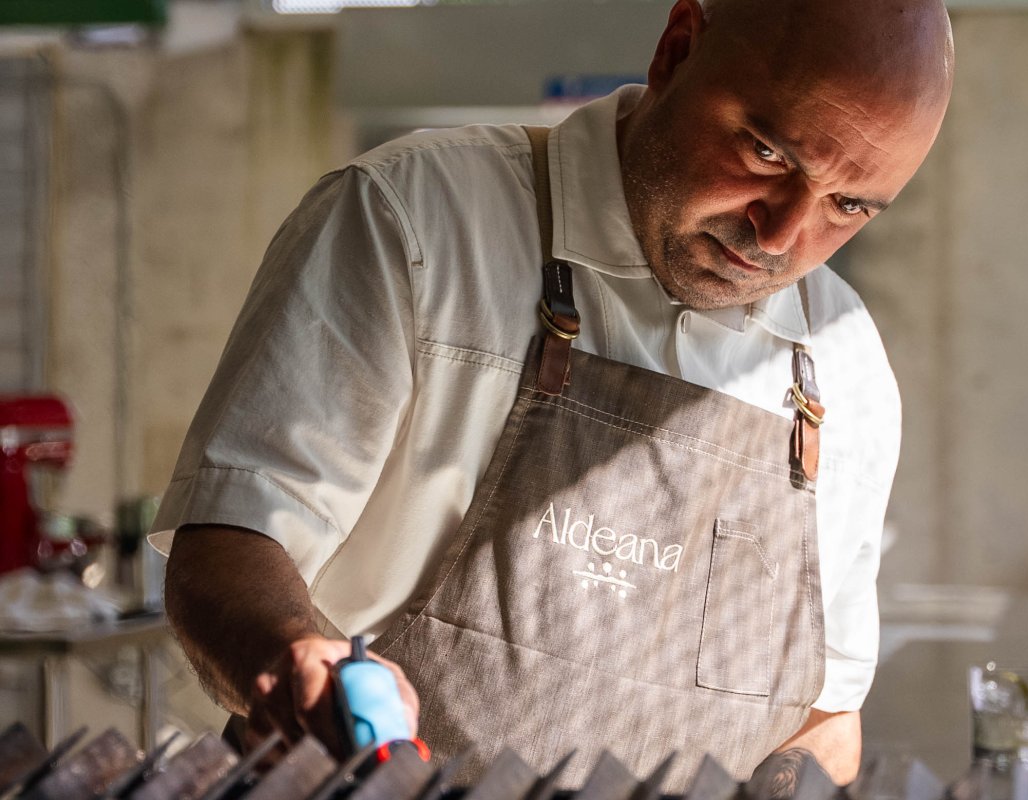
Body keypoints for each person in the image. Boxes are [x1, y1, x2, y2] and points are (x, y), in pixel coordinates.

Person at [156, 0, 954, 790]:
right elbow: (228, 546)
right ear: (677, 49)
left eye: (849, 207)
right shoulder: (417, 218)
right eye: (768, 154)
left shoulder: (841, 363)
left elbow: (825, 719)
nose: (781, 237)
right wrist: (292, 656)